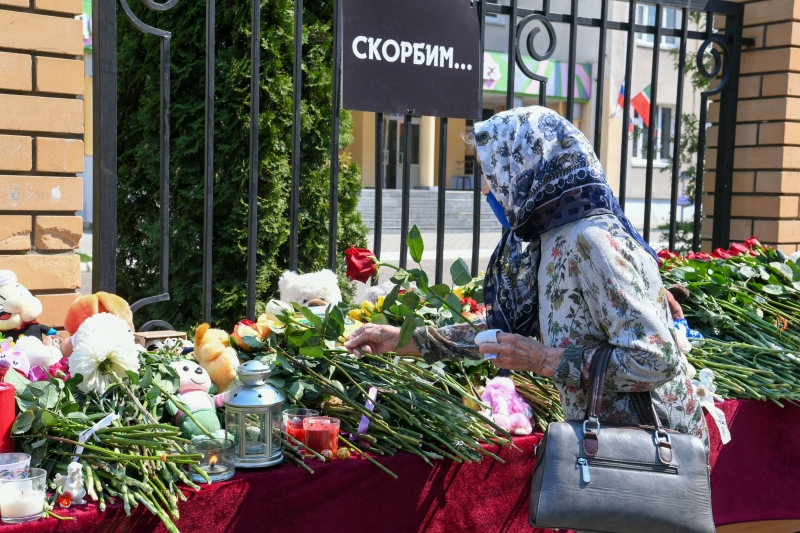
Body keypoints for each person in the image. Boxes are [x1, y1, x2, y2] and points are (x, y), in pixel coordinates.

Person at [344, 106, 706, 444]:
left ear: (529, 168)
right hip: (609, 448)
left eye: (491, 171)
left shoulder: (592, 240)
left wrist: (545, 360)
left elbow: (656, 359)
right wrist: (403, 340)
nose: (485, 188)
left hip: (651, 451)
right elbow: (507, 340)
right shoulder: (548, 240)